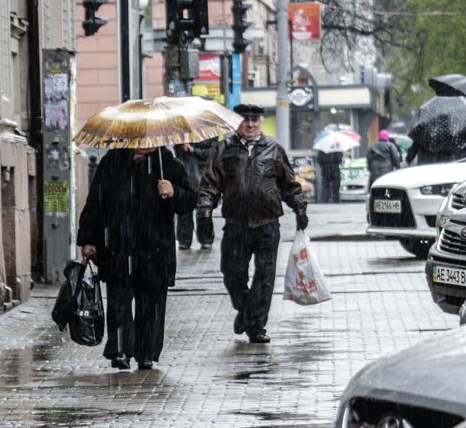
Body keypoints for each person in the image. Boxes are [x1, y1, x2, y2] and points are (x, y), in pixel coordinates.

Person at [197, 103, 308, 344]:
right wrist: (204, 214)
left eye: (254, 119)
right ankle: (247, 311)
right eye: (245, 119)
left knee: (265, 276)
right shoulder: (223, 150)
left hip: (267, 223)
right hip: (236, 223)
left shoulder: (274, 149)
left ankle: (256, 325)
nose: (250, 124)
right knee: (232, 273)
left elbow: (289, 184)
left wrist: (300, 208)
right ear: (237, 122)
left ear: (260, 122)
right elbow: (209, 185)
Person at [77, 146, 196, 370]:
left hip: (155, 249)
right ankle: (121, 350)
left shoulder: (168, 163)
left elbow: (189, 202)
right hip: (118, 246)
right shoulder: (112, 161)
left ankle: (146, 353)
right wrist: (88, 239)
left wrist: (173, 192)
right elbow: (95, 202)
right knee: (119, 302)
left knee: (151, 305)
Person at [174, 138, 217, 250]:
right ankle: (184, 240)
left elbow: (212, 153)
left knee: (204, 211)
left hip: (203, 177)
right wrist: (180, 142)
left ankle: (206, 239)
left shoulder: (208, 133)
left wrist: (193, 150)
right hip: (184, 176)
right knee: (184, 212)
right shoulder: (180, 135)